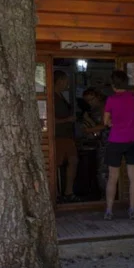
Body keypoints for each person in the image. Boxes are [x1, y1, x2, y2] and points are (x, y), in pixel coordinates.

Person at [104, 70, 134, 220]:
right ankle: (132, 209)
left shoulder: (111, 100)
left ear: (113, 85)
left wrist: (113, 123)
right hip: (132, 140)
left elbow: (106, 121)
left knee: (113, 177)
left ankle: (109, 210)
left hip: (115, 140)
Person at [53, 70, 79, 202]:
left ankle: (69, 191)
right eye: (65, 81)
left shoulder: (61, 96)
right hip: (58, 136)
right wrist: (67, 120)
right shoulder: (52, 97)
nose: (67, 83)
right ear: (59, 81)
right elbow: (49, 119)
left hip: (67, 136)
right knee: (55, 164)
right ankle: (56, 193)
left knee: (73, 161)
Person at [82, 88, 110, 197]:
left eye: (91, 100)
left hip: (107, 140)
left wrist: (89, 130)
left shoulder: (103, 106)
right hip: (101, 140)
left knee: (103, 169)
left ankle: (106, 194)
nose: (89, 103)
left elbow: (104, 125)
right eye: (87, 101)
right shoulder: (94, 109)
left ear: (97, 97)